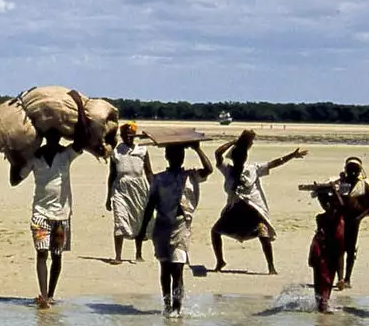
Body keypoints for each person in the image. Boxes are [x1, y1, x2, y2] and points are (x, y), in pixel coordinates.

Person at [211, 129, 308, 274]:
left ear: (245, 157)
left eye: (242, 156)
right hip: (234, 212)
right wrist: (234, 142)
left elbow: (275, 163)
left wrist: (292, 155)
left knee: (264, 234)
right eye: (237, 156)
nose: (240, 159)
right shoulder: (228, 170)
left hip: (253, 212)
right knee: (215, 231)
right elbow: (218, 154)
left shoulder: (253, 169)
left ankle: (271, 266)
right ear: (233, 158)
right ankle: (220, 261)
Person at [141, 140, 214, 314]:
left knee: (178, 268)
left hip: (182, 225)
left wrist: (197, 148)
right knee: (165, 269)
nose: (177, 158)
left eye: (180, 155)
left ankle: (177, 309)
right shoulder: (159, 179)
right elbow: (150, 204)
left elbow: (209, 169)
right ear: (167, 157)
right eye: (173, 155)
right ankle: (167, 306)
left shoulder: (191, 176)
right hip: (162, 226)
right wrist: (143, 229)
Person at [28, 135, 79, 308]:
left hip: (61, 215)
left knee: (57, 255)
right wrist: (14, 156)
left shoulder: (66, 154)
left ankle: (50, 295)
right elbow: (15, 179)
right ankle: (43, 295)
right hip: (40, 213)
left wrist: (79, 109)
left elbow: (82, 140)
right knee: (42, 253)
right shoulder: (34, 156)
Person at [104, 122, 153, 263]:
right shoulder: (116, 152)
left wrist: (154, 191)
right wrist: (108, 197)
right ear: (122, 136)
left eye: (131, 135)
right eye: (126, 135)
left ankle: (138, 253)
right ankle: (118, 256)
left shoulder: (142, 150)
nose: (129, 138)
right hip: (121, 189)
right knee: (119, 220)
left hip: (140, 189)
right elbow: (112, 175)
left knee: (139, 220)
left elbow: (149, 172)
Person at [333, 157, 369, 290]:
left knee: (350, 250)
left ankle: (347, 278)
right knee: (339, 250)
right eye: (350, 170)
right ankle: (340, 278)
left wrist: (360, 217)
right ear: (346, 170)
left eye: (355, 170)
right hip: (341, 221)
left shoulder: (363, 186)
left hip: (354, 222)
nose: (353, 173)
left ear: (360, 171)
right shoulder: (340, 184)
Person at [307, 184, 345, 313]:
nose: (324, 205)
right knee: (321, 278)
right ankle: (321, 305)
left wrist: (334, 191)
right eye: (322, 202)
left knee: (328, 278)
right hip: (322, 250)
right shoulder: (321, 217)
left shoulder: (337, 215)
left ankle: (323, 303)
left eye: (326, 202)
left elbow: (341, 205)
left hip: (333, 250)